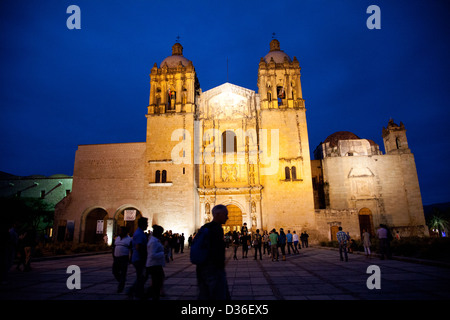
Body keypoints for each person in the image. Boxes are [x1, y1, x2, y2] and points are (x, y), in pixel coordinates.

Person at [196, 204, 230, 300]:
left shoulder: (204, 227)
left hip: (202, 269)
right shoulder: (216, 229)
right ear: (218, 214)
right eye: (225, 214)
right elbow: (216, 251)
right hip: (213, 270)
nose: (227, 217)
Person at [128, 217, 148, 299]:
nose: (147, 225)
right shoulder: (139, 233)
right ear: (142, 224)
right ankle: (133, 291)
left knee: (141, 276)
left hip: (138, 258)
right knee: (142, 276)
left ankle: (138, 292)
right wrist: (144, 258)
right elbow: (138, 247)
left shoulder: (140, 232)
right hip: (139, 258)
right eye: (146, 224)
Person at [146, 224, 166, 300]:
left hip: (156, 264)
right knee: (157, 283)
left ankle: (154, 295)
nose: (161, 235)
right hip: (153, 265)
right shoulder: (153, 241)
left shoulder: (155, 240)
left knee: (159, 281)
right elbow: (152, 254)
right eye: (161, 233)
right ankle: (150, 295)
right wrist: (162, 253)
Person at [112, 227, 132, 293]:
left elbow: (131, 249)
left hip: (124, 258)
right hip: (116, 258)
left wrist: (131, 258)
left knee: (123, 272)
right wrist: (113, 256)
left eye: (120, 231)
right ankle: (121, 280)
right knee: (114, 271)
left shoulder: (129, 239)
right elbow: (114, 247)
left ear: (124, 232)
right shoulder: (117, 238)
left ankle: (120, 287)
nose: (119, 232)